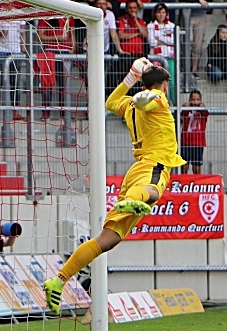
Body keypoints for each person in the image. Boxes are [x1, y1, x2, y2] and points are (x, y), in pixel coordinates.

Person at [42, 61, 186, 314]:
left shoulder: (130, 103)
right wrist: (146, 94)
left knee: (107, 240)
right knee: (152, 193)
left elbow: (110, 102)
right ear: (164, 85)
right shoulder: (159, 99)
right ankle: (134, 199)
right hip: (153, 166)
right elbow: (146, 101)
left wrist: (131, 77)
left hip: (136, 171)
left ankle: (59, 280)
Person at [0, 18, 25, 121]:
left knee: (15, 82)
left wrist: (23, 46)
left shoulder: (19, 12)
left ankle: (15, 111)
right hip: (0, 50)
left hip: (16, 51)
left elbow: (23, 32)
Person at [179, 90, 208, 174]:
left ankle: (196, 184)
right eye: (193, 99)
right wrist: (189, 105)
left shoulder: (202, 111)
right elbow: (183, 110)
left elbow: (203, 109)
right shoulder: (187, 110)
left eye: (197, 99)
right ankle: (184, 183)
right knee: (184, 165)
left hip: (198, 142)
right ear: (189, 100)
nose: (195, 101)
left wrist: (199, 106)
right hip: (186, 142)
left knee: (197, 166)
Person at [206, 25, 227, 92]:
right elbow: (211, 59)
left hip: (225, 67)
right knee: (217, 74)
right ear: (218, 33)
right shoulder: (213, 42)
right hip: (214, 66)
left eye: (226, 33)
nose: (225, 35)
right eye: (223, 33)